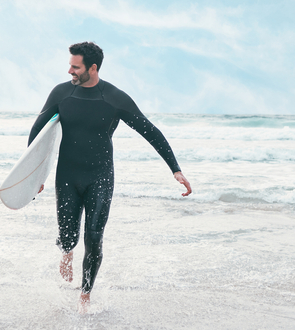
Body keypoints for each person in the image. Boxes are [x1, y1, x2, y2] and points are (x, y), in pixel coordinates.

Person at [28, 42, 192, 310]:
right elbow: (37, 131)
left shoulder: (115, 98)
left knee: (94, 236)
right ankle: (67, 252)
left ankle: (85, 294)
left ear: (92, 68)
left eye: (75, 66)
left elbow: (150, 131)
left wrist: (175, 169)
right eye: (70, 64)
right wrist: (33, 177)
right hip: (67, 176)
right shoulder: (61, 93)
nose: (69, 70)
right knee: (68, 235)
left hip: (100, 177)